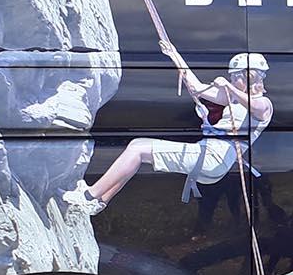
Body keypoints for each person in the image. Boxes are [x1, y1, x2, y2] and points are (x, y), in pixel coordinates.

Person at [62, 52, 272, 212]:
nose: (233, 79)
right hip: (208, 154)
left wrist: (228, 86)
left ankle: (89, 196)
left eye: (236, 76)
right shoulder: (232, 97)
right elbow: (197, 87)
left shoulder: (263, 104)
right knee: (136, 145)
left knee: (138, 150)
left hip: (214, 157)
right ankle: (100, 200)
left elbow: (256, 107)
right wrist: (174, 55)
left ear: (248, 76)